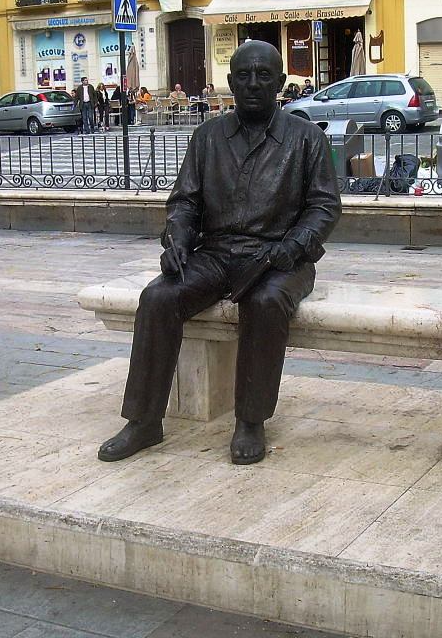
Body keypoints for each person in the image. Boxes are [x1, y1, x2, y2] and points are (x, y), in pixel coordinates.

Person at [97, 41, 342, 466]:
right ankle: (144, 420)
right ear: (230, 83)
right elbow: (185, 202)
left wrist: (292, 247)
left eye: (263, 76)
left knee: (265, 303)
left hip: (279, 257)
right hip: (216, 253)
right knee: (158, 297)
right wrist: (176, 238)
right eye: (243, 76)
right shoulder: (207, 136)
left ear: (280, 84)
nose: (252, 84)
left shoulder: (307, 138)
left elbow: (324, 207)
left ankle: (250, 419)